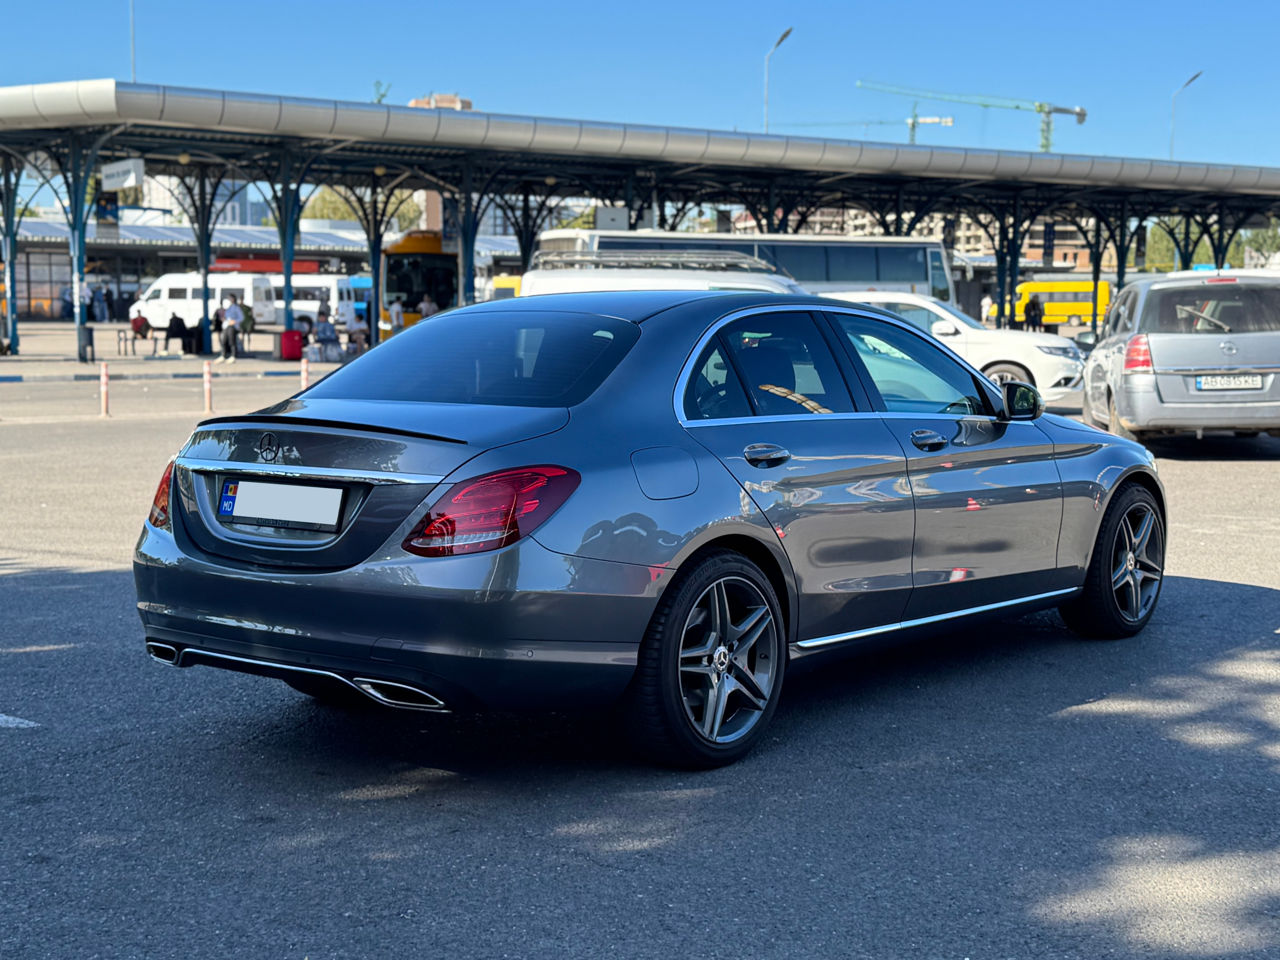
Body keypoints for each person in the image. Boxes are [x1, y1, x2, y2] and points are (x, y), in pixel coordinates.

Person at [216, 293, 242, 364]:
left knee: (232, 342)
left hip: (232, 326)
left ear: (233, 299)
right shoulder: (227, 308)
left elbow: (241, 317)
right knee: (223, 341)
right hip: (226, 326)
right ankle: (223, 355)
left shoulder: (236, 308)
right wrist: (223, 318)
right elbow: (226, 317)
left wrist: (234, 321)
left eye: (229, 298)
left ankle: (233, 356)